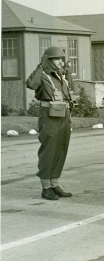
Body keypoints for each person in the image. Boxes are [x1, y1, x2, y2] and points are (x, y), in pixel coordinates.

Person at [26, 46, 73, 200]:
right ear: (48, 60)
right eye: (57, 58)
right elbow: (31, 84)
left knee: (61, 149)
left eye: (62, 58)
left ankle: (54, 183)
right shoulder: (42, 75)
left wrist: (67, 73)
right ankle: (46, 187)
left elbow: (69, 93)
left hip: (64, 116)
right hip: (49, 116)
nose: (61, 62)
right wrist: (41, 66)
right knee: (49, 151)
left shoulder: (60, 77)